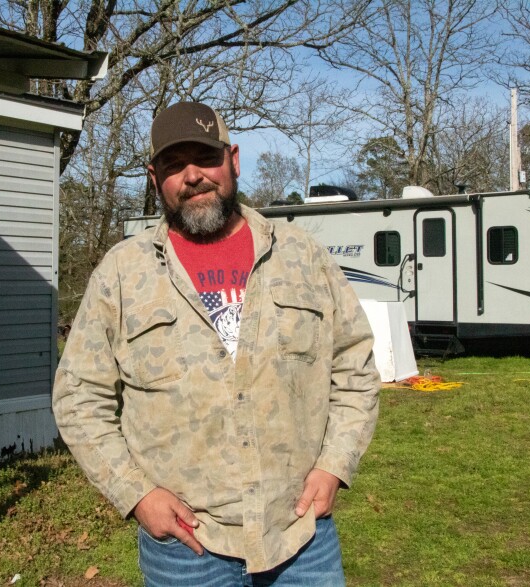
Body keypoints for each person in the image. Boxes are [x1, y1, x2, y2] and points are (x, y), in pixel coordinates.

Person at [52, 101, 380, 586]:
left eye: (205, 158)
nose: (192, 176)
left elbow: (355, 369)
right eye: (173, 165)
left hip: (298, 534)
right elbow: (79, 397)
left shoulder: (301, 256)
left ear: (234, 161)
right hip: (186, 549)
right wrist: (136, 494)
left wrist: (334, 466)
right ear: (153, 177)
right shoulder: (123, 273)